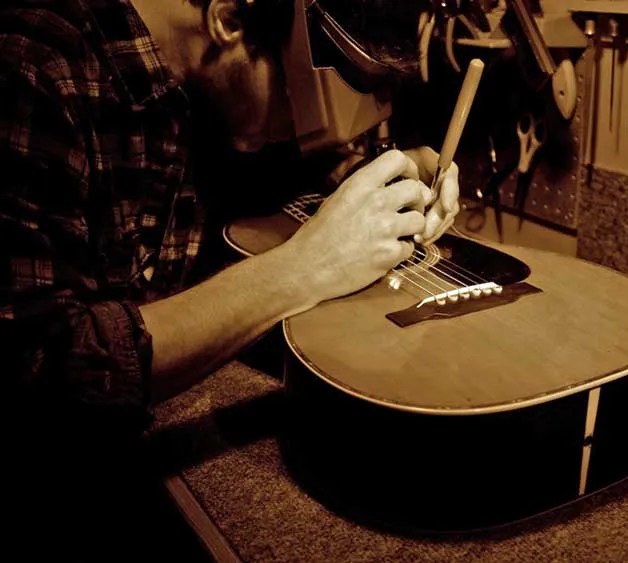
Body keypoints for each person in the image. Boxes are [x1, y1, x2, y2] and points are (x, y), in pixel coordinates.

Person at [0, 0, 459, 558]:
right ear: (231, 20)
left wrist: (387, 187)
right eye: (301, 99)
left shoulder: (222, 85)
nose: (310, 132)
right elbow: (42, 369)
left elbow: (278, 181)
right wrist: (303, 269)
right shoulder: (35, 65)